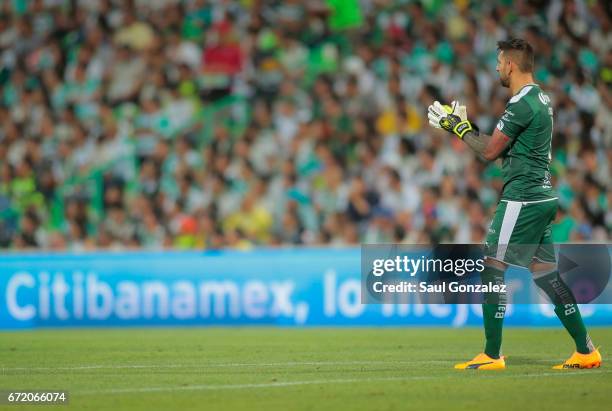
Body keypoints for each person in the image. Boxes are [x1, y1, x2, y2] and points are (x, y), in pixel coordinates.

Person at [427, 38, 602, 370]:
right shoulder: (540, 99)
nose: (496, 68)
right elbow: (499, 148)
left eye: (498, 62)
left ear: (510, 64)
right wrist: (463, 129)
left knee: (493, 263)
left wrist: (459, 129)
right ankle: (586, 350)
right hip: (541, 196)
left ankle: (492, 355)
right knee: (546, 275)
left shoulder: (522, 103)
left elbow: (491, 152)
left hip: (523, 196)